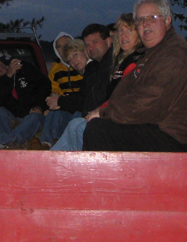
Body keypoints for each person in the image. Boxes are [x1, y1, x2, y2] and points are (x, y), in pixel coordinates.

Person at [83, 0, 187, 152]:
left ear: (167, 20)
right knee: (93, 126)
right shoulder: (152, 54)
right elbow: (129, 93)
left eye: (152, 18)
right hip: (152, 126)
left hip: (172, 138)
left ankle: (98, 177)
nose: (145, 24)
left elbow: (151, 102)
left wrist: (105, 112)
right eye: (140, 20)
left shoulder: (176, 55)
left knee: (98, 130)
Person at [52, 14, 145, 151]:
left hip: (120, 119)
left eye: (95, 42)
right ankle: (47, 161)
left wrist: (99, 111)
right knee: (74, 124)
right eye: (88, 45)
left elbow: (117, 98)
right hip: (101, 114)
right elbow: (85, 98)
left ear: (108, 42)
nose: (91, 47)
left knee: (82, 126)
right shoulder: (93, 68)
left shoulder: (119, 62)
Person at [0, 55, 51, 148]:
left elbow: (45, 85)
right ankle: (8, 142)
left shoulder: (21, 67)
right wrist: (8, 76)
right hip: (12, 118)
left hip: (32, 116)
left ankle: (6, 144)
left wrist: (39, 106)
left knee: (35, 117)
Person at [39, 32, 84, 149]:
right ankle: (46, 142)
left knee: (76, 115)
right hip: (64, 101)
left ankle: (63, 142)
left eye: (67, 43)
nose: (63, 48)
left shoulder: (81, 65)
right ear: (56, 49)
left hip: (78, 102)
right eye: (59, 46)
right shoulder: (55, 69)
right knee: (54, 111)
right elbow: (54, 89)